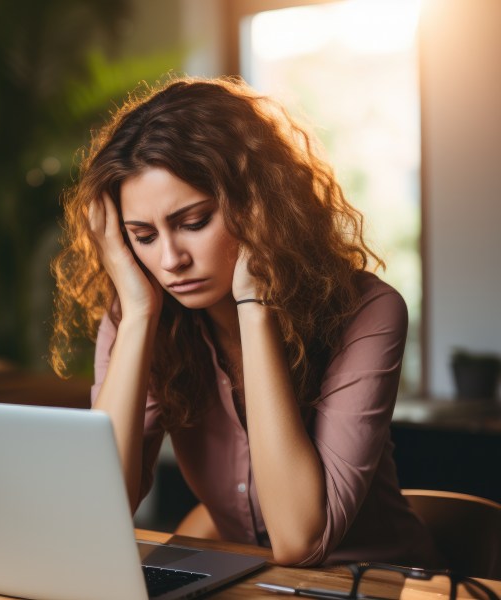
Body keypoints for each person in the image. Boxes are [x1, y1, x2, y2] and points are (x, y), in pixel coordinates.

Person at [49, 76, 441, 568]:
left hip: (375, 582)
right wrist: (138, 315)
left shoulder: (366, 311)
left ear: (257, 206)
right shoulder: (138, 316)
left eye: (193, 223)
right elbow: (93, 511)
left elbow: (298, 539)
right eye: (142, 235)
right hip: (246, 582)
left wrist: (254, 301)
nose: (170, 259)